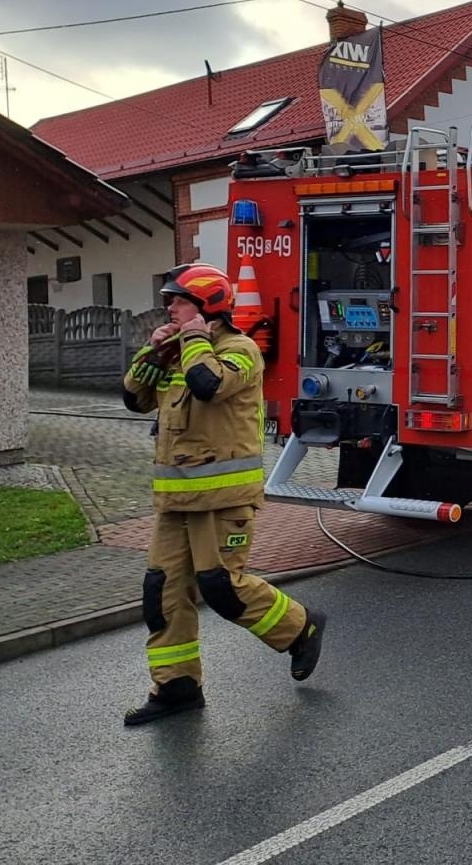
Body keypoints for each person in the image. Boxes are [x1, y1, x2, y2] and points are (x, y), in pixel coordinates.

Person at [120, 263, 327, 725]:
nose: (168, 307)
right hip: (176, 502)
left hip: (224, 499)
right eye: (169, 300)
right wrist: (152, 354)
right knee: (162, 593)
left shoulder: (240, 351)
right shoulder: (178, 352)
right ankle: (177, 686)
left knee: (222, 589)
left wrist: (191, 340)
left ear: (207, 306)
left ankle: (301, 627)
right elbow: (133, 399)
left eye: (178, 301)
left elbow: (208, 386)